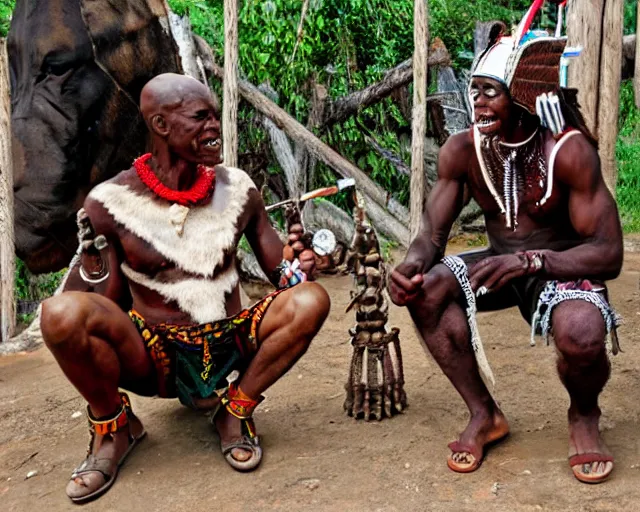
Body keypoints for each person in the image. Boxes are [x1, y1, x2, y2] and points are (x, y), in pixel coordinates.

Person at [40, 73, 330, 503]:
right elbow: (104, 303)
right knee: (60, 314)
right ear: (160, 125)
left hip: (233, 341)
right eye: (200, 117)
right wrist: (93, 263)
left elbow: (281, 272)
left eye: (215, 117)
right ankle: (113, 429)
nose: (215, 128)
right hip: (153, 355)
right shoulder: (110, 202)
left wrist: (305, 265)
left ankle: (235, 412)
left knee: (311, 300)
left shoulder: (237, 189)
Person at [389, 3, 622, 485]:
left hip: (559, 269)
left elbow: (608, 252)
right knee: (427, 290)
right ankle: (484, 415)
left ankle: (583, 414)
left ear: (521, 96)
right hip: (498, 266)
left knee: (581, 331)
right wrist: (410, 266)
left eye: (489, 92)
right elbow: (431, 236)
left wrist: (533, 260)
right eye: (474, 91)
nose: (478, 103)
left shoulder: (567, 150)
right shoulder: (463, 150)